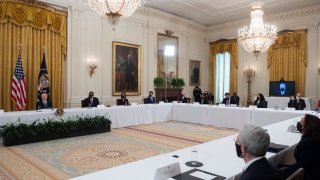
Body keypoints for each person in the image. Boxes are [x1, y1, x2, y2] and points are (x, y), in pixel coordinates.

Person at [280, 114, 320, 180]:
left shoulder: (307, 143)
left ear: (307, 126)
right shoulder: (315, 137)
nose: (299, 124)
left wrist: (281, 173)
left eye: (301, 122)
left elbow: (301, 164)